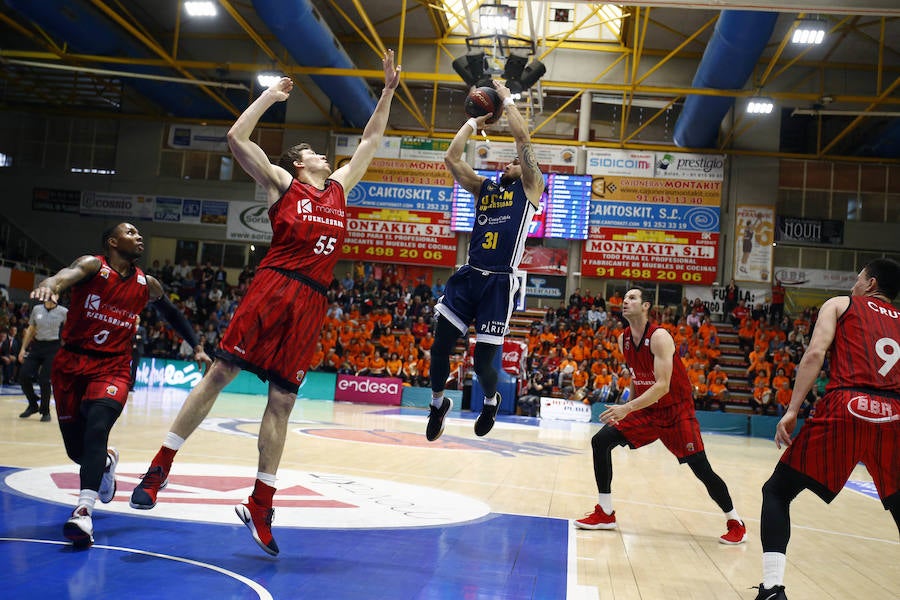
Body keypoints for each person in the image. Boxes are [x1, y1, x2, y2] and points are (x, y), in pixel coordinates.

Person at [129, 51, 401, 556]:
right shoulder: (282, 183)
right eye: (316, 153)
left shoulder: (340, 189)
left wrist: (386, 90)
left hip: (312, 301)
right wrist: (270, 97)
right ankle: (158, 468)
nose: (326, 156)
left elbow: (371, 140)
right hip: (274, 287)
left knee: (282, 402)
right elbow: (237, 139)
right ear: (300, 162)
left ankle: (260, 502)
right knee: (218, 376)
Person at [30, 222, 210, 549]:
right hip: (70, 364)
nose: (138, 237)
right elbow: (63, 276)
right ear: (112, 242)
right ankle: (107, 463)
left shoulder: (147, 283)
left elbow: (171, 313)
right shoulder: (92, 266)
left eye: (140, 234)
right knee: (78, 452)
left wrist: (196, 345)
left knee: (97, 426)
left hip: (112, 366)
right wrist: (49, 285)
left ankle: (83, 511)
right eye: (130, 233)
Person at [755, 259, 900, 600]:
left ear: (871, 283)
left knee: (777, 491)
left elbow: (815, 353)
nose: (853, 285)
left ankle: (773, 588)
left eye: (857, 279)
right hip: (894, 412)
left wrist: (792, 410)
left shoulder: (840, 305)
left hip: (846, 405)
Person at [574, 288, 746, 545]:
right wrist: (627, 405)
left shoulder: (660, 337)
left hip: (676, 410)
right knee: (601, 441)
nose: (625, 301)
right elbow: (637, 377)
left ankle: (735, 522)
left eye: (632, 298)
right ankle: (605, 513)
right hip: (647, 410)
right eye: (624, 298)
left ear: (645, 306)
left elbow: (663, 385)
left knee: (701, 468)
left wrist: (627, 408)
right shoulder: (623, 339)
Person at [425, 79, 544, 441]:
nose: (509, 163)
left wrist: (507, 101)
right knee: (440, 344)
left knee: (481, 363)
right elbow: (451, 158)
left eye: (513, 163)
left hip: (499, 281)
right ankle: (437, 403)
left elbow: (523, 143)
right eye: (506, 163)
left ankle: (490, 400)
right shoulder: (485, 190)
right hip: (469, 276)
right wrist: (474, 122)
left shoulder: (530, 189)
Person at [18, 298, 68, 421]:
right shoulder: (37, 309)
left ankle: (45, 411)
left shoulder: (64, 312)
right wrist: (23, 349)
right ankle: (33, 404)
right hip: (37, 346)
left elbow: (69, 332)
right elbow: (31, 330)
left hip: (53, 347)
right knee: (23, 376)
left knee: (44, 380)